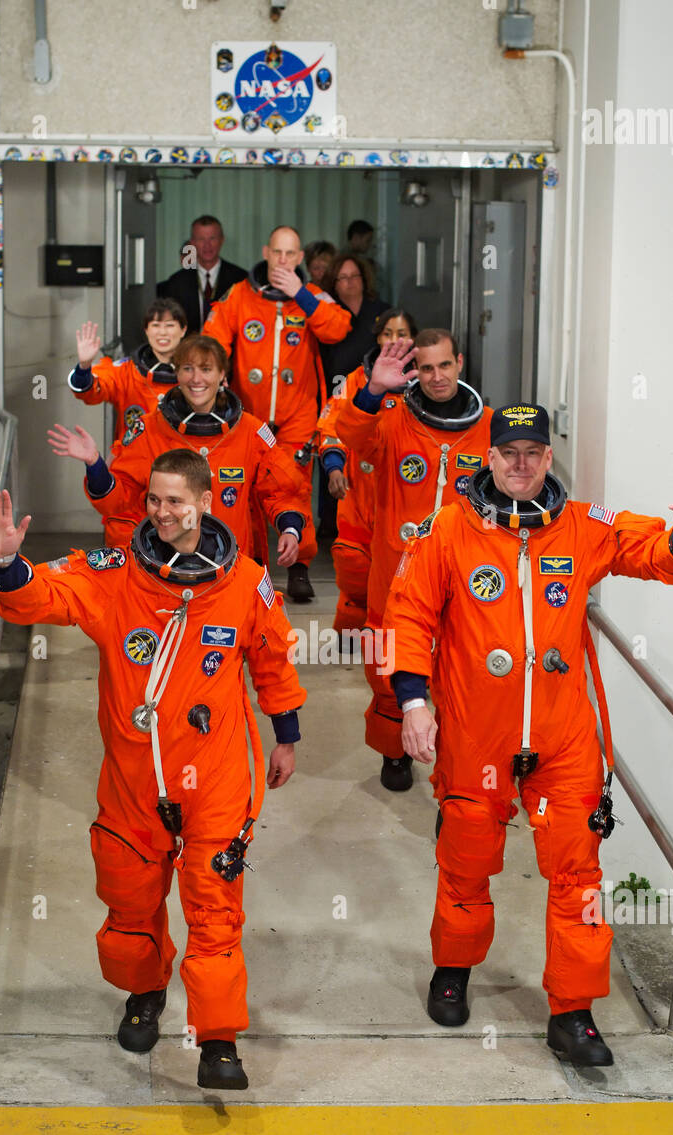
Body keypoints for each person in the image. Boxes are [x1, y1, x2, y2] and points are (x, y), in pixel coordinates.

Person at [384, 403, 673, 1067]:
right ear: (489, 456)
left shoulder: (582, 525)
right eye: (509, 452)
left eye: (533, 451)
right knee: (466, 864)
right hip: (478, 736)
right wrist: (415, 703)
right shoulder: (449, 530)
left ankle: (573, 1012)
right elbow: (408, 616)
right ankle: (452, 971)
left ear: (547, 456)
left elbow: (653, 554)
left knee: (578, 878)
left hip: (563, 741)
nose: (520, 463)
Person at [0, 456, 306, 1091]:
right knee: (130, 905)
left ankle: (218, 1041)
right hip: (134, 785)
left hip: (215, 778)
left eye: (176, 501)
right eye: (154, 500)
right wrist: (9, 563)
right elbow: (42, 598)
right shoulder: (116, 574)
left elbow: (273, 663)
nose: (162, 512)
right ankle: (146, 992)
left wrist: (285, 736)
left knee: (214, 911)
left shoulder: (247, 583)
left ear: (206, 502)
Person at [335, 330, 493, 791]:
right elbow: (351, 435)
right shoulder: (393, 420)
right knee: (389, 667)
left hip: (462, 571)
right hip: (397, 571)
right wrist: (373, 390)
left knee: (461, 671)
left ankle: (458, 767)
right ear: (415, 372)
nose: (437, 376)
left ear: (460, 363)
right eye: (426, 368)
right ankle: (395, 750)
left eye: (444, 365)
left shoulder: (487, 427)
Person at [50, 334, 315, 578]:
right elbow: (119, 501)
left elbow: (282, 491)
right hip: (163, 570)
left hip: (231, 571)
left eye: (206, 369)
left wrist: (290, 529)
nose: (196, 379)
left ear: (223, 375)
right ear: (176, 374)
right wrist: (95, 464)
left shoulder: (251, 431)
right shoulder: (149, 429)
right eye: (187, 369)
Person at [203, 225, 351, 602]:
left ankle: (299, 567)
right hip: (248, 416)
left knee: (294, 487)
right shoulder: (240, 296)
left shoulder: (312, 297)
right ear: (267, 252)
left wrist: (299, 293)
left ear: (300, 259)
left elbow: (338, 328)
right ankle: (251, 568)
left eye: (291, 255)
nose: (283, 260)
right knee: (246, 490)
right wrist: (213, 380)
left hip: (296, 414)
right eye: (278, 253)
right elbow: (213, 338)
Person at [316, 307, 418, 634]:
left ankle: (394, 631)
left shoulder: (423, 381)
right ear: (377, 338)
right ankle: (349, 623)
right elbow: (334, 426)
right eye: (388, 333)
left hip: (404, 492)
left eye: (402, 334)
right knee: (353, 562)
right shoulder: (356, 381)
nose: (395, 340)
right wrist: (333, 467)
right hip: (359, 488)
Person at [68, 300, 187, 447]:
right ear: (146, 330)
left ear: (183, 330)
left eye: (170, 325)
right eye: (156, 325)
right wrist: (84, 367)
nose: (162, 332)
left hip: (182, 462)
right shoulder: (126, 371)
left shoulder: (196, 374)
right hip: (133, 463)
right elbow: (92, 391)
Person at [157, 216, 247, 335]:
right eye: (201, 239)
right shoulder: (177, 282)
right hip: (187, 350)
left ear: (222, 240)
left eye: (212, 238)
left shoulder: (240, 279)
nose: (207, 245)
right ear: (192, 243)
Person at [321, 252, 391, 390]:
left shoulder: (383, 311)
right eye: (343, 277)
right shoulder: (328, 314)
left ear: (364, 279)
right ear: (334, 283)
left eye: (355, 276)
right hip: (337, 389)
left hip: (375, 387)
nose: (350, 281)